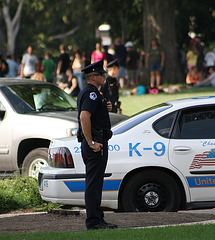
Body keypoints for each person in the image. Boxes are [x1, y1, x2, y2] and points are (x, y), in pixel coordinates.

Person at [77, 59, 117, 230]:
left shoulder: (94, 94)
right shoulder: (91, 93)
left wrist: (104, 107)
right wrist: (91, 142)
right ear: (93, 77)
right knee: (94, 184)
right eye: (102, 74)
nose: (105, 76)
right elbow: (84, 117)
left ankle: (97, 219)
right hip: (95, 145)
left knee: (96, 183)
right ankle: (93, 222)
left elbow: (92, 114)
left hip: (98, 143)